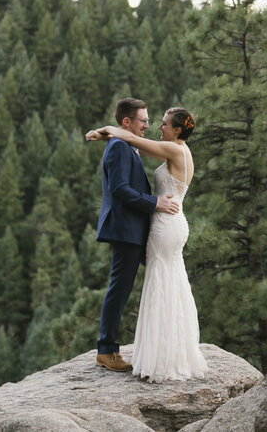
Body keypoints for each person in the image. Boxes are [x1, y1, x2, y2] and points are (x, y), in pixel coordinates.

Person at [87, 107, 208, 381]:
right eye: (151, 122)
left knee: (161, 282)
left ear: (177, 130)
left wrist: (105, 131)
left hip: (166, 223)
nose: (157, 127)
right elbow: (130, 141)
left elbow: (130, 139)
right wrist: (109, 134)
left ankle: (161, 356)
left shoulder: (175, 151)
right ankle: (171, 351)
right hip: (171, 222)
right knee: (169, 282)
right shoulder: (178, 150)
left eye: (163, 124)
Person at [92, 98, 180, 372]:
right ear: (126, 122)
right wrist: (155, 203)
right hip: (125, 228)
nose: (147, 125)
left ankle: (162, 344)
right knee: (119, 288)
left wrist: (102, 131)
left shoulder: (124, 143)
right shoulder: (119, 147)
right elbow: (119, 188)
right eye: (143, 120)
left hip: (134, 228)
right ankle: (106, 351)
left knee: (159, 281)